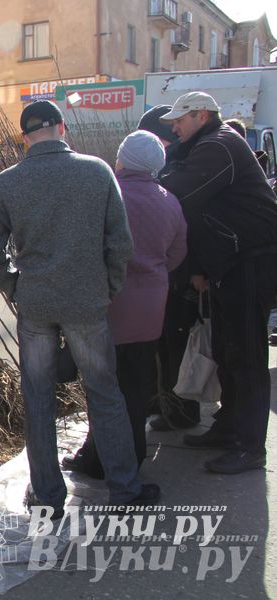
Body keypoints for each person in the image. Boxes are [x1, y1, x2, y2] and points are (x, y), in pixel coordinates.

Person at [0, 100, 160, 514]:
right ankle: (125, 488)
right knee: (104, 394)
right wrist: (107, 288)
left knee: (38, 398)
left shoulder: (7, 183)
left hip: (36, 305)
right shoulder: (96, 172)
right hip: (87, 303)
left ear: (24, 138)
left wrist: (15, 287)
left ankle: (46, 496)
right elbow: (121, 244)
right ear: (62, 128)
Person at [158, 91, 277, 474]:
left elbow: (180, 192)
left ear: (202, 115)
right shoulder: (209, 144)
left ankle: (249, 446)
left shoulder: (219, 145)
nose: (174, 126)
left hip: (250, 262)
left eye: (180, 119)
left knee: (247, 356)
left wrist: (151, 179)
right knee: (229, 353)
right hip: (231, 263)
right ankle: (229, 430)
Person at [62, 131, 187, 479]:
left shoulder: (104, 194)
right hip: (150, 309)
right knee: (136, 387)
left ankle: (98, 459)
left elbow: (82, 249)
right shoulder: (169, 200)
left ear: (120, 160)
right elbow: (177, 254)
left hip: (106, 307)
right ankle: (132, 455)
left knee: (102, 389)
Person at [138, 105, 201, 431]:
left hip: (174, 279)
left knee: (173, 345)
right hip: (169, 275)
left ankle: (180, 411)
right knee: (164, 345)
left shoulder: (175, 175)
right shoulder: (172, 170)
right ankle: (165, 404)